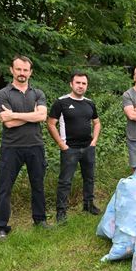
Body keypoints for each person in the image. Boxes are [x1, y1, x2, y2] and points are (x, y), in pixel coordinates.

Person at [0, 55, 49, 239]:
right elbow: (7, 123)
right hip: (11, 147)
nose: (22, 73)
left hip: (35, 145)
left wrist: (15, 115)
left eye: (25, 70)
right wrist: (31, 114)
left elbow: (42, 117)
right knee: (4, 187)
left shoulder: (38, 93)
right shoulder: (3, 94)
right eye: (18, 69)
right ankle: (1, 227)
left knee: (38, 185)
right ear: (12, 70)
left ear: (30, 72)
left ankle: (40, 220)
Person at [47, 72, 102, 223]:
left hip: (88, 147)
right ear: (71, 84)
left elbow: (97, 122)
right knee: (65, 181)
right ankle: (61, 212)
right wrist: (61, 144)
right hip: (69, 149)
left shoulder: (90, 103)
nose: (81, 86)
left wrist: (94, 141)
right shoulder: (61, 102)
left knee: (89, 178)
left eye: (84, 83)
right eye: (78, 83)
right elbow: (51, 123)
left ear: (87, 86)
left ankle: (89, 205)